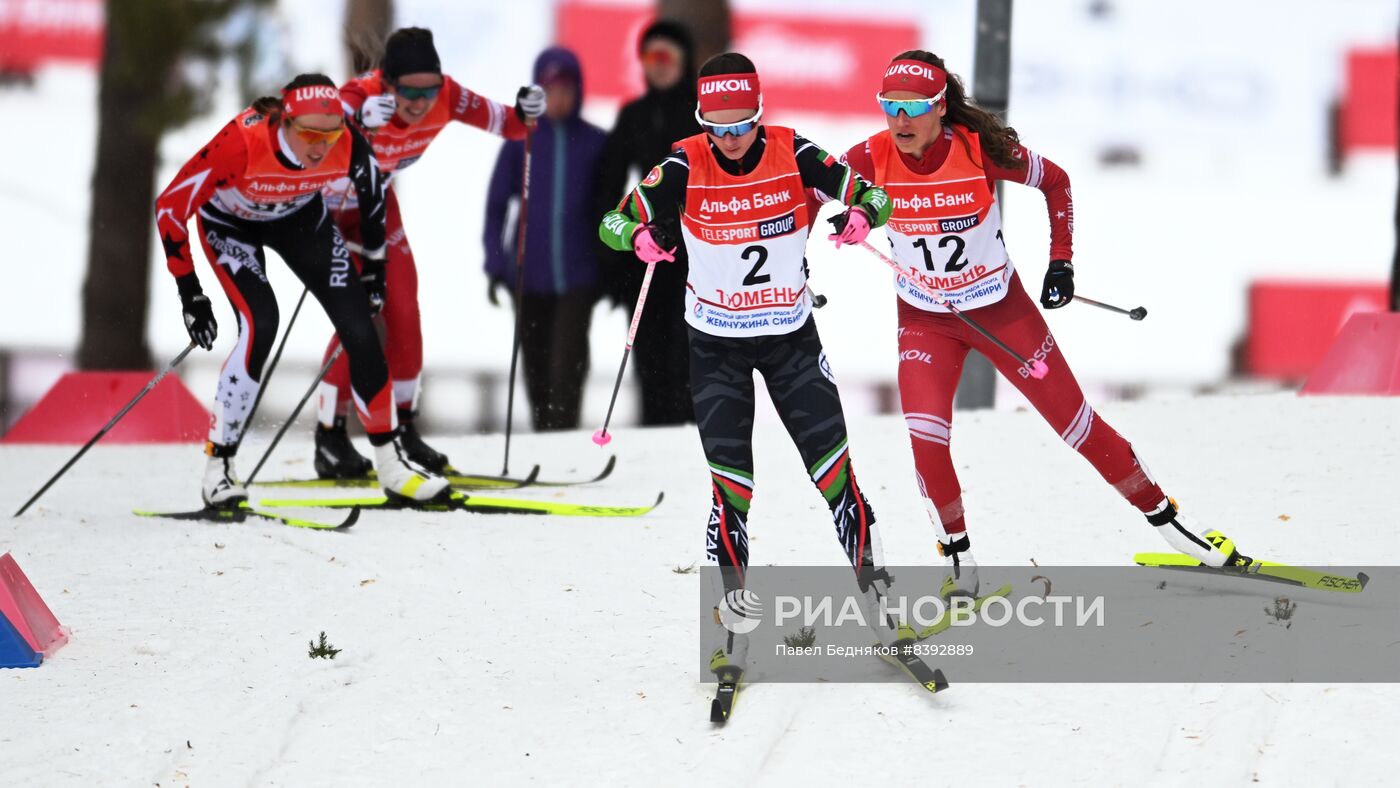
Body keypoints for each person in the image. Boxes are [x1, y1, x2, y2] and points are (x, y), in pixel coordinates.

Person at [841, 50, 1252, 596]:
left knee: (1076, 426)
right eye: (890, 106)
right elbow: (806, 188)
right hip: (925, 321)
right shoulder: (867, 156)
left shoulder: (978, 149)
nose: (900, 120)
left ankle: (1176, 527)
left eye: (913, 108)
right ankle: (961, 567)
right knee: (926, 440)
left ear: (940, 106)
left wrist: (1061, 262)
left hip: (999, 310)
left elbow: (1056, 182)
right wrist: (825, 237)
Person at [598, 53, 904, 681]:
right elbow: (610, 221)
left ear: (760, 115)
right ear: (702, 121)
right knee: (731, 490)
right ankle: (731, 631)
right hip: (716, 348)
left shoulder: (795, 152)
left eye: (741, 124)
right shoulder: (683, 164)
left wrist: (859, 217)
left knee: (835, 475)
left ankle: (880, 606)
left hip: (791, 341)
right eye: (718, 127)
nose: (731, 138)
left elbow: (873, 194)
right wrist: (638, 239)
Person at [154, 73, 449, 506]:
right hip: (231, 224)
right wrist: (190, 292)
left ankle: (391, 467)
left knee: (360, 328)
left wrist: (374, 268)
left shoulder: (347, 142)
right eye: (310, 134)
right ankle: (219, 469)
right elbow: (170, 206)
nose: (319, 147)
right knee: (261, 325)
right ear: (284, 121)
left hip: (299, 219)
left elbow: (373, 193)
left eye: (330, 135)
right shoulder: (241, 142)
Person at [312, 27, 546, 477]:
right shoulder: (360, 94)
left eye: (429, 91)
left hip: (376, 209)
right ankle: (330, 436)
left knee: (404, 310)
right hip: (324, 212)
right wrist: (354, 121)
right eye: (409, 92)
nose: (420, 103)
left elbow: (509, 125)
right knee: (358, 320)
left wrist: (526, 110)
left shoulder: (449, 96)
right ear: (387, 83)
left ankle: (404, 430)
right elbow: (312, 131)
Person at [484, 47, 606, 431]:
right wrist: (495, 262)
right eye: (550, 90)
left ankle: (563, 432)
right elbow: (496, 206)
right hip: (527, 274)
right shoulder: (520, 141)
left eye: (566, 90)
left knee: (567, 363)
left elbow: (610, 207)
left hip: (579, 276)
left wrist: (610, 265)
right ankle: (542, 435)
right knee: (535, 364)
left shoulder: (595, 143)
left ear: (579, 91)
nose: (558, 99)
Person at [593, 20, 700, 426]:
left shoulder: (703, 114)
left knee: (690, 354)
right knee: (649, 354)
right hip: (647, 252)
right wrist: (616, 255)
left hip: (698, 253)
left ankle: (695, 435)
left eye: (666, 56)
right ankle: (654, 435)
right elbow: (608, 186)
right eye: (649, 56)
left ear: (683, 61)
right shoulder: (634, 115)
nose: (658, 64)